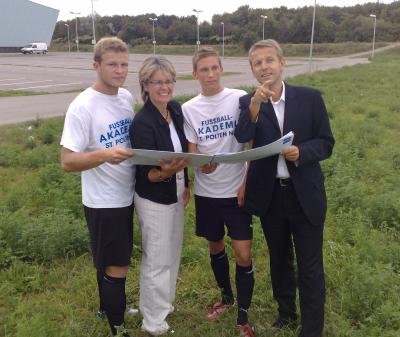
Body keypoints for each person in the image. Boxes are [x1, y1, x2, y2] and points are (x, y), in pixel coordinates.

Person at [234, 39, 335, 337]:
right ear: (252, 70)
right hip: (271, 196)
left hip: (304, 195)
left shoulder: (310, 98)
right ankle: (286, 314)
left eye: (269, 60)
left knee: (310, 266)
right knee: (279, 260)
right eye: (257, 63)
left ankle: (311, 329)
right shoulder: (248, 102)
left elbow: (326, 143)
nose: (264, 67)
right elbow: (242, 135)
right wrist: (254, 103)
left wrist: (301, 152)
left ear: (282, 63)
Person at [60, 37, 135, 337]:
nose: (119, 71)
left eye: (124, 64)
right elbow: (67, 161)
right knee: (117, 263)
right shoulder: (82, 106)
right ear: (96, 66)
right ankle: (117, 326)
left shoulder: (126, 98)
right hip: (103, 201)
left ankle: (108, 306)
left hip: (127, 194)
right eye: (112, 64)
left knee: (107, 258)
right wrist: (103, 155)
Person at [182, 47, 255, 337]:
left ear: (222, 68)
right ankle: (226, 298)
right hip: (207, 194)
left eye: (214, 68)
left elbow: (251, 144)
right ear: (195, 73)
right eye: (204, 69)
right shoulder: (189, 108)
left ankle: (243, 317)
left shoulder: (240, 99)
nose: (210, 74)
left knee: (243, 255)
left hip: (236, 191)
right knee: (215, 246)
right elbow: (192, 152)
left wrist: (245, 183)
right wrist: (200, 166)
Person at [129, 56, 190, 336]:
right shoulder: (142, 123)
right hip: (154, 198)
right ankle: (153, 322)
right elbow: (147, 175)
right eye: (158, 82)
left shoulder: (174, 110)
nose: (165, 87)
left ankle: (162, 304)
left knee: (172, 252)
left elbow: (183, 152)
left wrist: (184, 181)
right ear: (145, 85)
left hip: (176, 192)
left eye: (169, 81)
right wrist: (168, 173)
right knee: (157, 258)